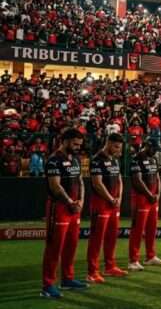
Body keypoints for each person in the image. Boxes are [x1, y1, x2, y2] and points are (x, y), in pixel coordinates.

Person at [41, 128, 88, 299]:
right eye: (75, 144)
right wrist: (70, 202)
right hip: (59, 208)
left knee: (71, 245)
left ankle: (67, 279)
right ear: (65, 141)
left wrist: (81, 201)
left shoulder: (75, 159)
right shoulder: (53, 160)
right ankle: (47, 285)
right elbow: (55, 186)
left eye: (79, 144)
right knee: (54, 247)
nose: (78, 147)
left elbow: (80, 181)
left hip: (74, 209)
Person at [86, 133, 127, 283]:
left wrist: (119, 198)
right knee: (97, 238)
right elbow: (97, 183)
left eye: (119, 147)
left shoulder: (114, 160)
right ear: (108, 143)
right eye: (116, 147)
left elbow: (120, 179)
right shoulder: (96, 160)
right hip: (101, 204)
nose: (118, 150)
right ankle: (92, 272)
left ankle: (110, 267)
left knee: (111, 237)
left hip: (114, 204)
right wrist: (110, 198)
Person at [127, 141, 161, 271]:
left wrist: (158, 193)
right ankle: (133, 260)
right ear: (147, 146)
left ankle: (151, 256)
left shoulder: (154, 159)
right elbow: (137, 180)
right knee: (137, 229)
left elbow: (157, 177)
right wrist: (149, 194)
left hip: (153, 198)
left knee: (152, 228)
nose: (155, 152)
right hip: (141, 198)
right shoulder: (136, 159)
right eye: (154, 149)